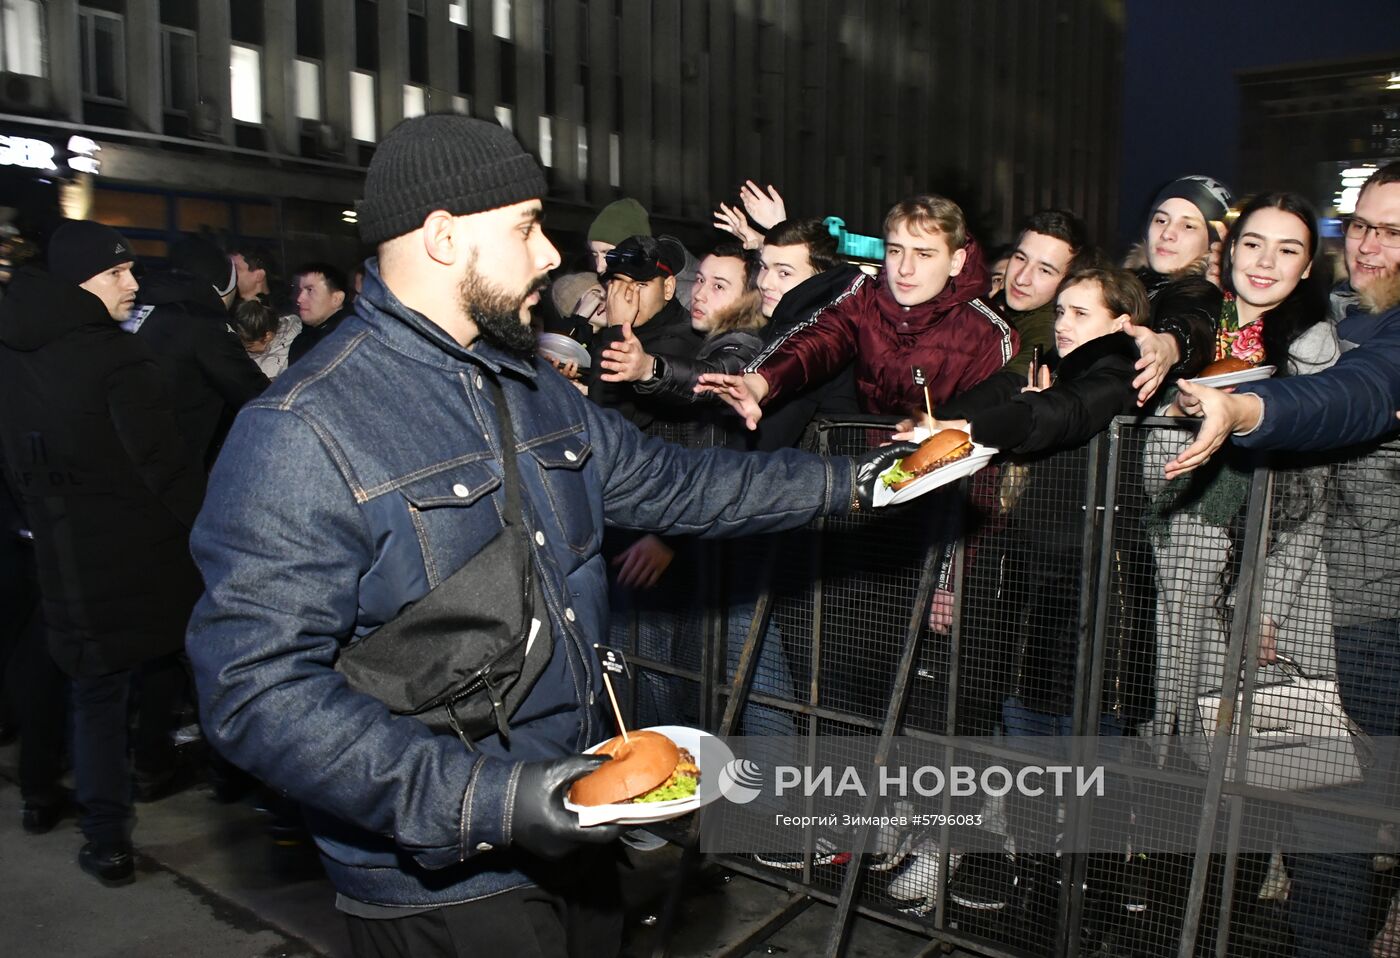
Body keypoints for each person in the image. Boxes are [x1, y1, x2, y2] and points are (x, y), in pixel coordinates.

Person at [184, 115, 907, 958]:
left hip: (578, 829)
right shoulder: (300, 430)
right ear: (444, 237)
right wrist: (493, 801)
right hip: (445, 881)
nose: (547, 259)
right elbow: (254, 692)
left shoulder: (527, 384)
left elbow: (683, 483)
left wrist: (866, 480)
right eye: (525, 229)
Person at [1165, 162, 1400, 958]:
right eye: (1361, 225)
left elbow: (1354, 398)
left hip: (1366, 617)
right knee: (1307, 813)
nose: (1371, 245)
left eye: (1393, 231)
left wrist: (1244, 407)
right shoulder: (1351, 315)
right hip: (1333, 612)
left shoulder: (1351, 340)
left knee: (1329, 821)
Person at [889, 266, 1157, 922]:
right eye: (1060, 311)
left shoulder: (1123, 373)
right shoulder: (1053, 374)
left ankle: (1082, 897)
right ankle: (1037, 880)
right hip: (1031, 589)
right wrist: (956, 427)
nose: (1062, 323)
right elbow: (1015, 405)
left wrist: (974, 432)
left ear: (1123, 324)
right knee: (1031, 739)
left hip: (1099, 595)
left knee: (1090, 748)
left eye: (1079, 313)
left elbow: (1059, 415)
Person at [0, 220, 206, 887]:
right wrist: (213, 531)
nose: (133, 283)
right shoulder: (116, 358)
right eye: (119, 273)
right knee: (191, 669)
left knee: (93, 693)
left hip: (60, 554)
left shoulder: (11, 352)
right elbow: (163, 465)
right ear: (83, 282)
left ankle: (107, 840)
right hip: (141, 557)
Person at [699, 194, 1015, 427]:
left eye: (924, 254)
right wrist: (759, 383)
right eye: (895, 251)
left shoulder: (988, 331)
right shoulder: (866, 295)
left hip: (949, 485)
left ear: (956, 262)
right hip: (868, 473)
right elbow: (818, 339)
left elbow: (987, 421)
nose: (905, 268)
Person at [129, 237, 270, 469]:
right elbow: (253, 392)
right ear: (224, 284)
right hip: (169, 466)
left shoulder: (139, 307)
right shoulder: (203, 323)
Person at [1120, 175, 1237, 405]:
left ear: (1212, 242)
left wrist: (1168, 345)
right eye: (1161, 220)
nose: (1167, 234)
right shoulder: (1120, 282)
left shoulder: (1201, 291)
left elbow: (1194, 321)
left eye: (1188, 226)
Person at [287, 262, 352, 366]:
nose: (299, 299)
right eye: (299, 290)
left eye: (310, 290)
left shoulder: (349, 342)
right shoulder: (303, 341)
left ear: (336, 299)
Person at [232, 296, 299, 379]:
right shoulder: (293, 320)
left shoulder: (279, 363)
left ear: (268, 336)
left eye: (249, 346)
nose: (246, 350)